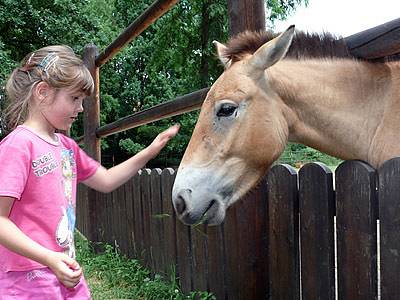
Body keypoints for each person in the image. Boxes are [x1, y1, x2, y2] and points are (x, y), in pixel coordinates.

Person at [0, 45, 180, 299]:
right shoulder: (18, 146)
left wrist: (150, 151)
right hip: (26, 279)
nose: (81, 108)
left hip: (63, 269)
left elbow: (106, 181)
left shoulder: (66, 147)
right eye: (74, 99)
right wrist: (48, 257)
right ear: (42, 92)